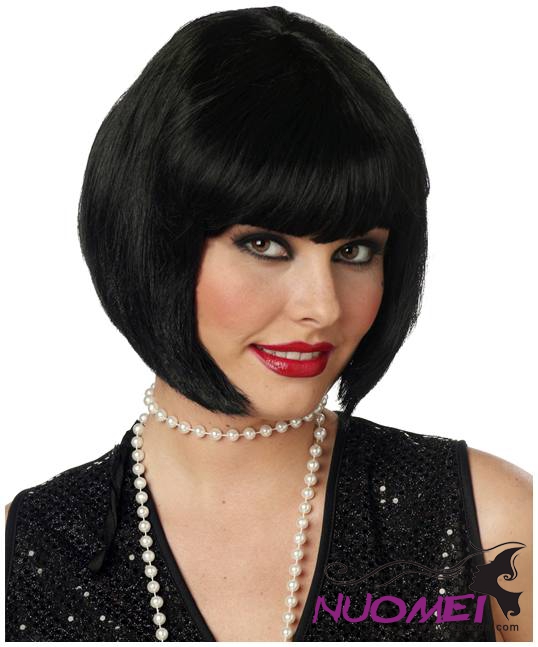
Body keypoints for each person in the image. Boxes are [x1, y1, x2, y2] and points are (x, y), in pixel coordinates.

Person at [4, 6, 531, 643]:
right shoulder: (27, 554)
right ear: (153, 242)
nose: (323, 308)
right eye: (265, 245)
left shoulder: (492, 524)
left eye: (354, 251)